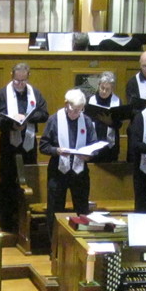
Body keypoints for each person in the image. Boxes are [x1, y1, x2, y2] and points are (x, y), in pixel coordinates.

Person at [0, 62, 48, 231]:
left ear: (28, 77)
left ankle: (26, 219)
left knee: (28, 180)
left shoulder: (34, 93)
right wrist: (13, 124)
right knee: (8, 182)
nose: (20, 84)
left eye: (23, 81)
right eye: (17, 81)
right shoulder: (3, 93)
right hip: (9, 145)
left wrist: (28, 118)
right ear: (12, 76)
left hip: (28, 145)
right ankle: (8, 222)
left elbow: (44, 114)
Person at [40, 88, 97, 238]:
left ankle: (82, 241)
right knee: (55, 209)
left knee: (82, 209)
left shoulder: (86, 121)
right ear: (66, 104)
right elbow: (43, 146)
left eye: (80, 110)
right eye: (74, 109)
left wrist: (89, 155)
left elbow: (94, 145)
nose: (76, 113)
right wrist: (57, 150)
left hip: (80, 172)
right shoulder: (54, 120)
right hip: (58, 171)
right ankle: (54, 244)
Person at [85, 71, 124, 162]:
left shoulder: (117, 101)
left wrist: (110, 122)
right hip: (93, 143)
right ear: (98, 85)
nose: (104, 91)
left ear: (112, 89)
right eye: (102, 88)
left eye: (107, 89)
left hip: (110, 146)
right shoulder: (90, 100)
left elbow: (119, 124)